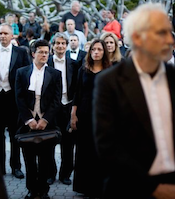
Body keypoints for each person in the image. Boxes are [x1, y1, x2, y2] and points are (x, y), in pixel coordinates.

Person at [93, 3, 175, 198]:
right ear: (137, 38)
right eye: (161, 33)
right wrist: (153, 188)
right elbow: (108, 146)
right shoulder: (109, 82)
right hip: (130, 188)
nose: (170, 40)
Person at [15, 39, 62, 199]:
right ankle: (31, 190)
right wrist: (29, 119)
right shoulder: (21, 72)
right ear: (33, 53)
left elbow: (57, 100)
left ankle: (43, 191)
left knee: (45, 159)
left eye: (46, 53)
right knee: (29, 160)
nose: (44, 55)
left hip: (47, 123)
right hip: (26, 122)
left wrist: (45, 119)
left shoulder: (55, 74)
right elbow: (19, 98)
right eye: (41, 52)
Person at [0, 23, 30, 179]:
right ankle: (0, 168)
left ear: (12, 36)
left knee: (14, 135)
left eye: (6, 33)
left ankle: (16, 167)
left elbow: (26, 75)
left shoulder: (21, 52)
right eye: (0, 33)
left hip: (13, 98)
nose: (3, 36)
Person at [71, 39, 111, 197]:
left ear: (104, 52)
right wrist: (73, 115)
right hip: (84, 114)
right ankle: (84, 186)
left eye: (99, 49)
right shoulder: (83, 69)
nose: (96, 52)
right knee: (84, 151)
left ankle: (100, 186)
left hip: (103, 115)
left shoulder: (110, 70)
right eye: (93, 49)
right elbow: (77, 93)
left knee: (99, 150)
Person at [46, 33, 79, 185]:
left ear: (66, 46)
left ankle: (65, 174)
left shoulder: (74, 63)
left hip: (68, 105)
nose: (60, 46)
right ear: (53, 46)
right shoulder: (46, 63)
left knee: (68, 143)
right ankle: (50, 173)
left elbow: (77, 87)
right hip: (52, 107)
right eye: (57, 43)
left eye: (63, 43)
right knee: (50, 142)